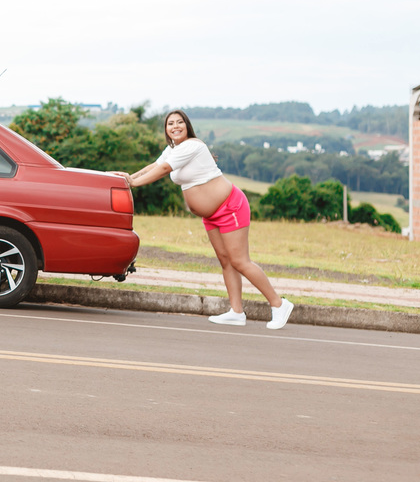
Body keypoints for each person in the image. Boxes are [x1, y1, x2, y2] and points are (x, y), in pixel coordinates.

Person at [114, 109, 294, 330]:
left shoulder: (192, 145)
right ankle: (237, 312)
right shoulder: (173, 148)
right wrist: (131, 177)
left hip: (231, 206)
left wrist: (135, 183)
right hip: (212, 214)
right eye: (171, 123)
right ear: (166, 129)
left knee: (239, 261)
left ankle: (279, 304)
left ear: (187, 126)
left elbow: (163, 169)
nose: (175, 126)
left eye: (180, 122)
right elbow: (155, 164)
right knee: (226, 261)